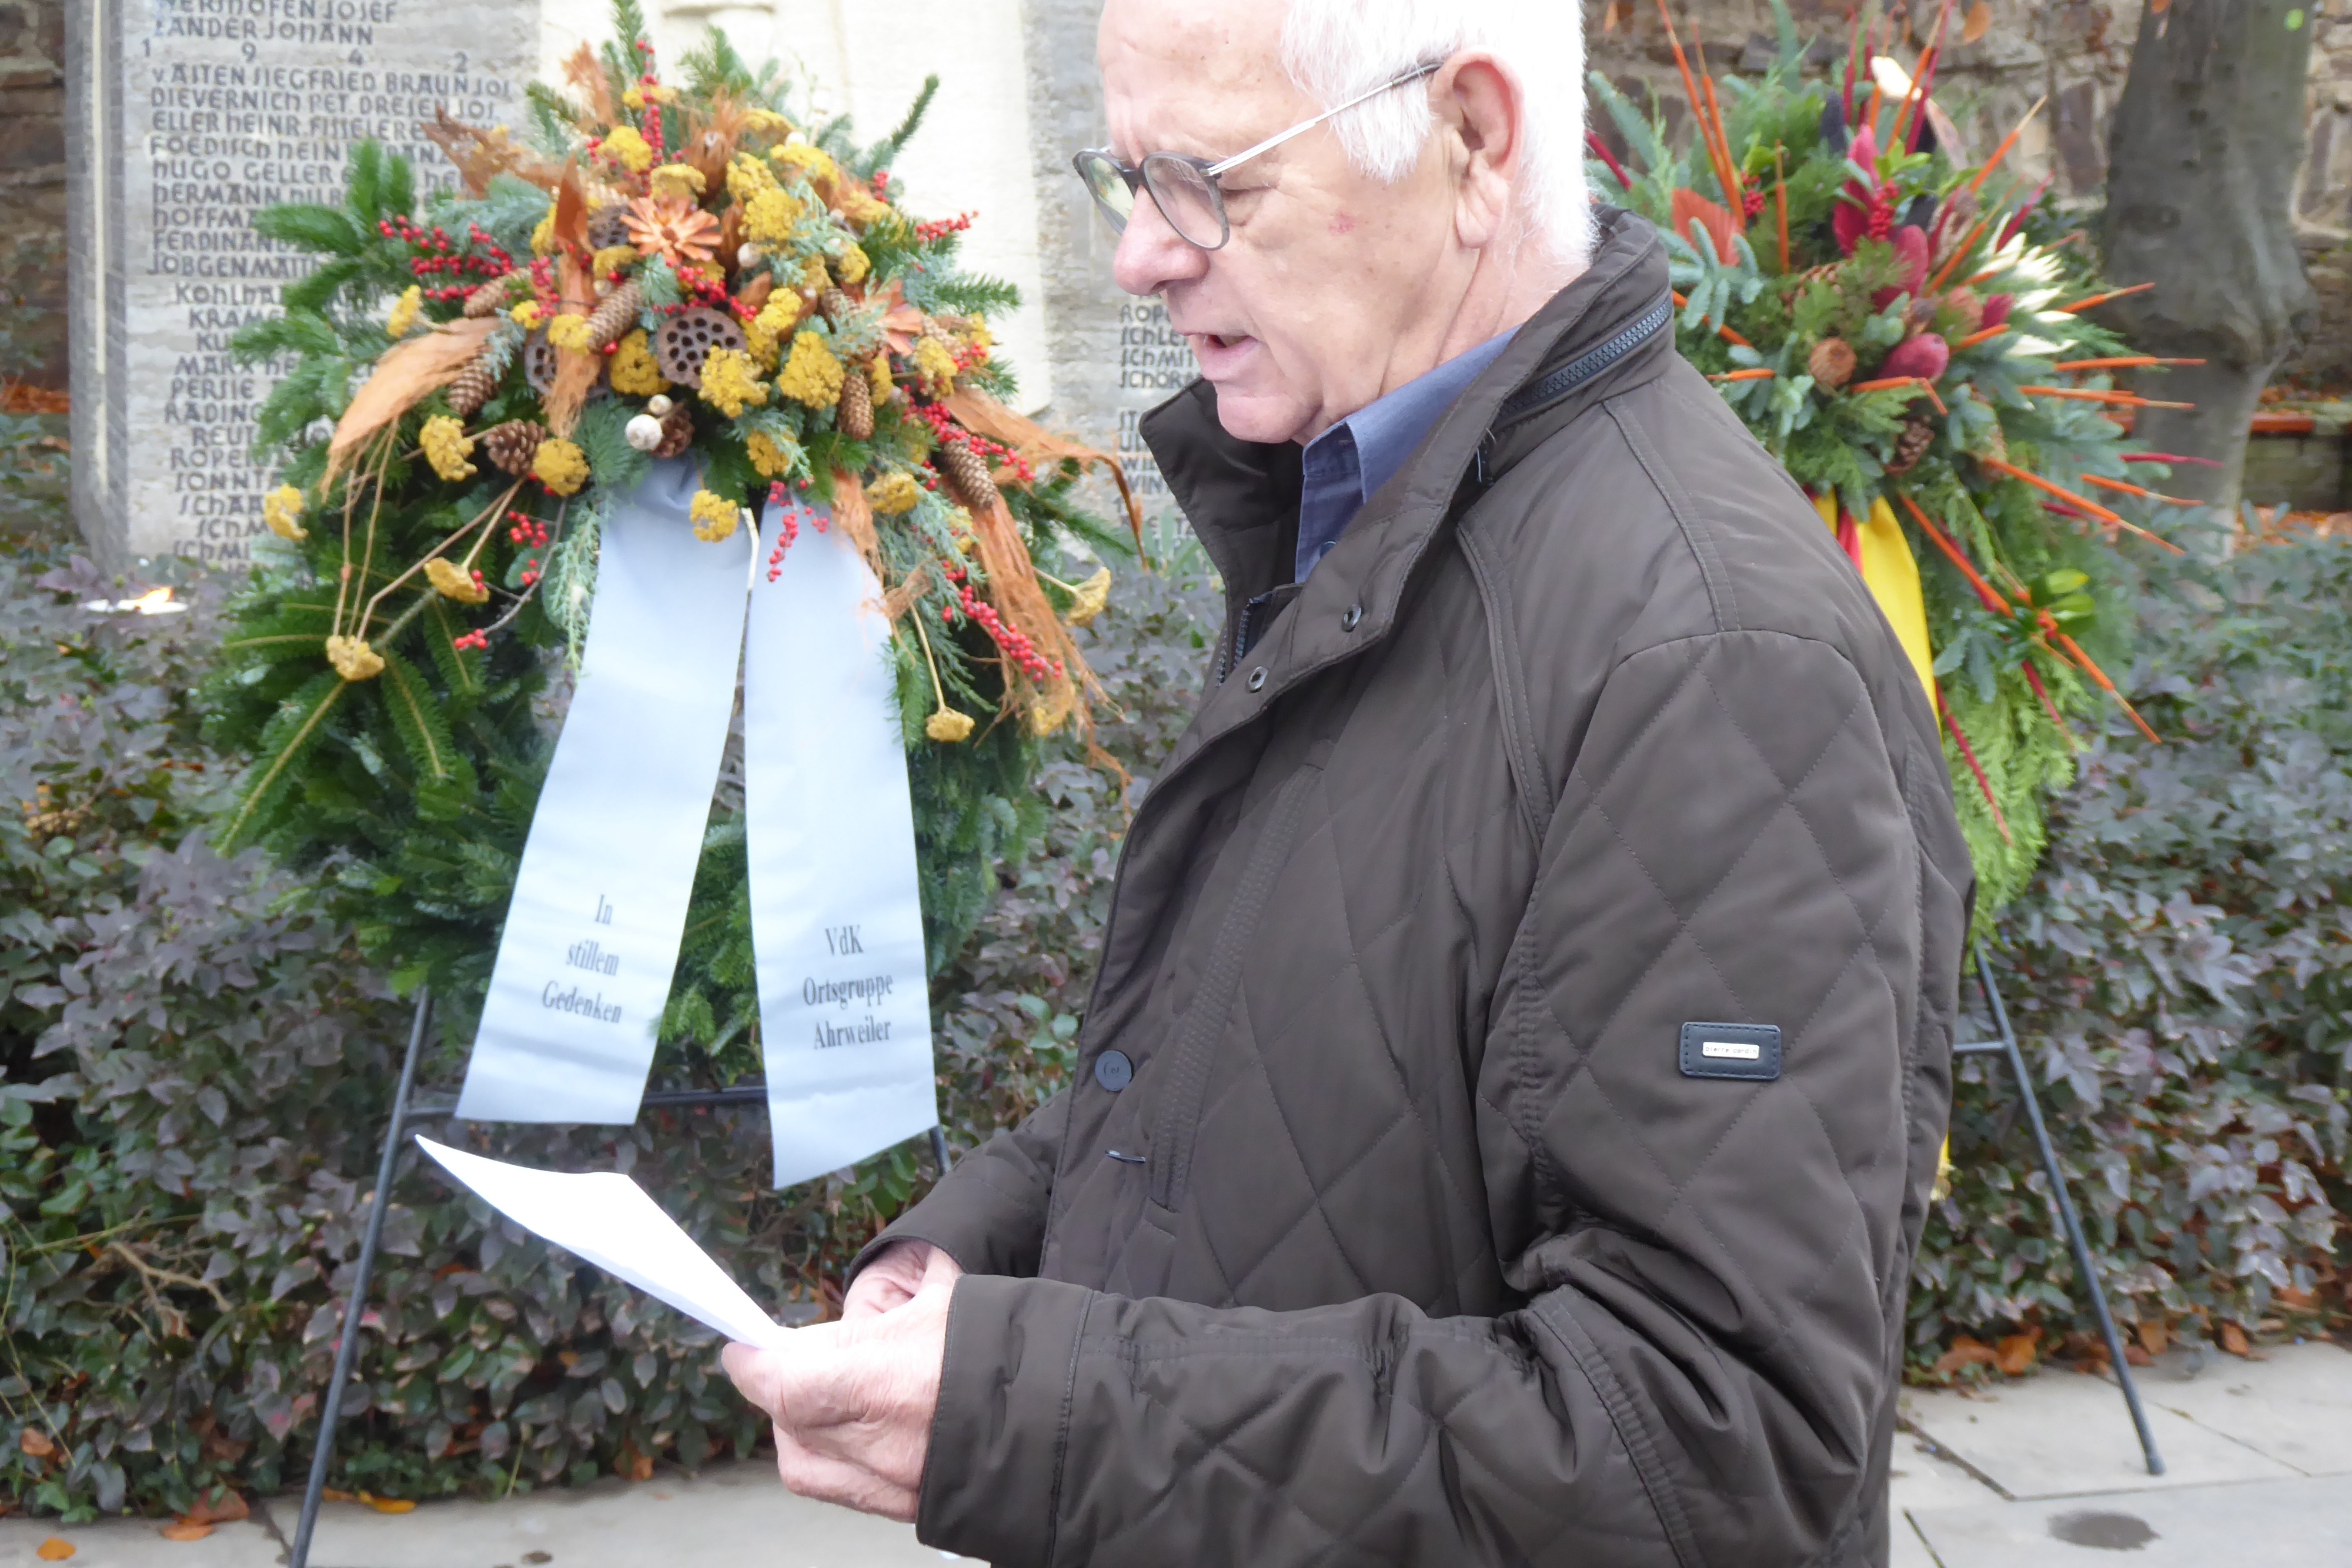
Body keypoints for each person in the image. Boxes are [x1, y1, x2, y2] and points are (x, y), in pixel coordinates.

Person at [723, 1, 1973, 1563]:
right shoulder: (1375, 509)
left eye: (1209, 182)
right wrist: (986, 1251)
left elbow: (1708, 1448)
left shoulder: (1708, 657)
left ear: (1469, 138)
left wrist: (1032, 1409)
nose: (1143, 255)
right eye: (1128, 178)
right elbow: (1289, 1060)